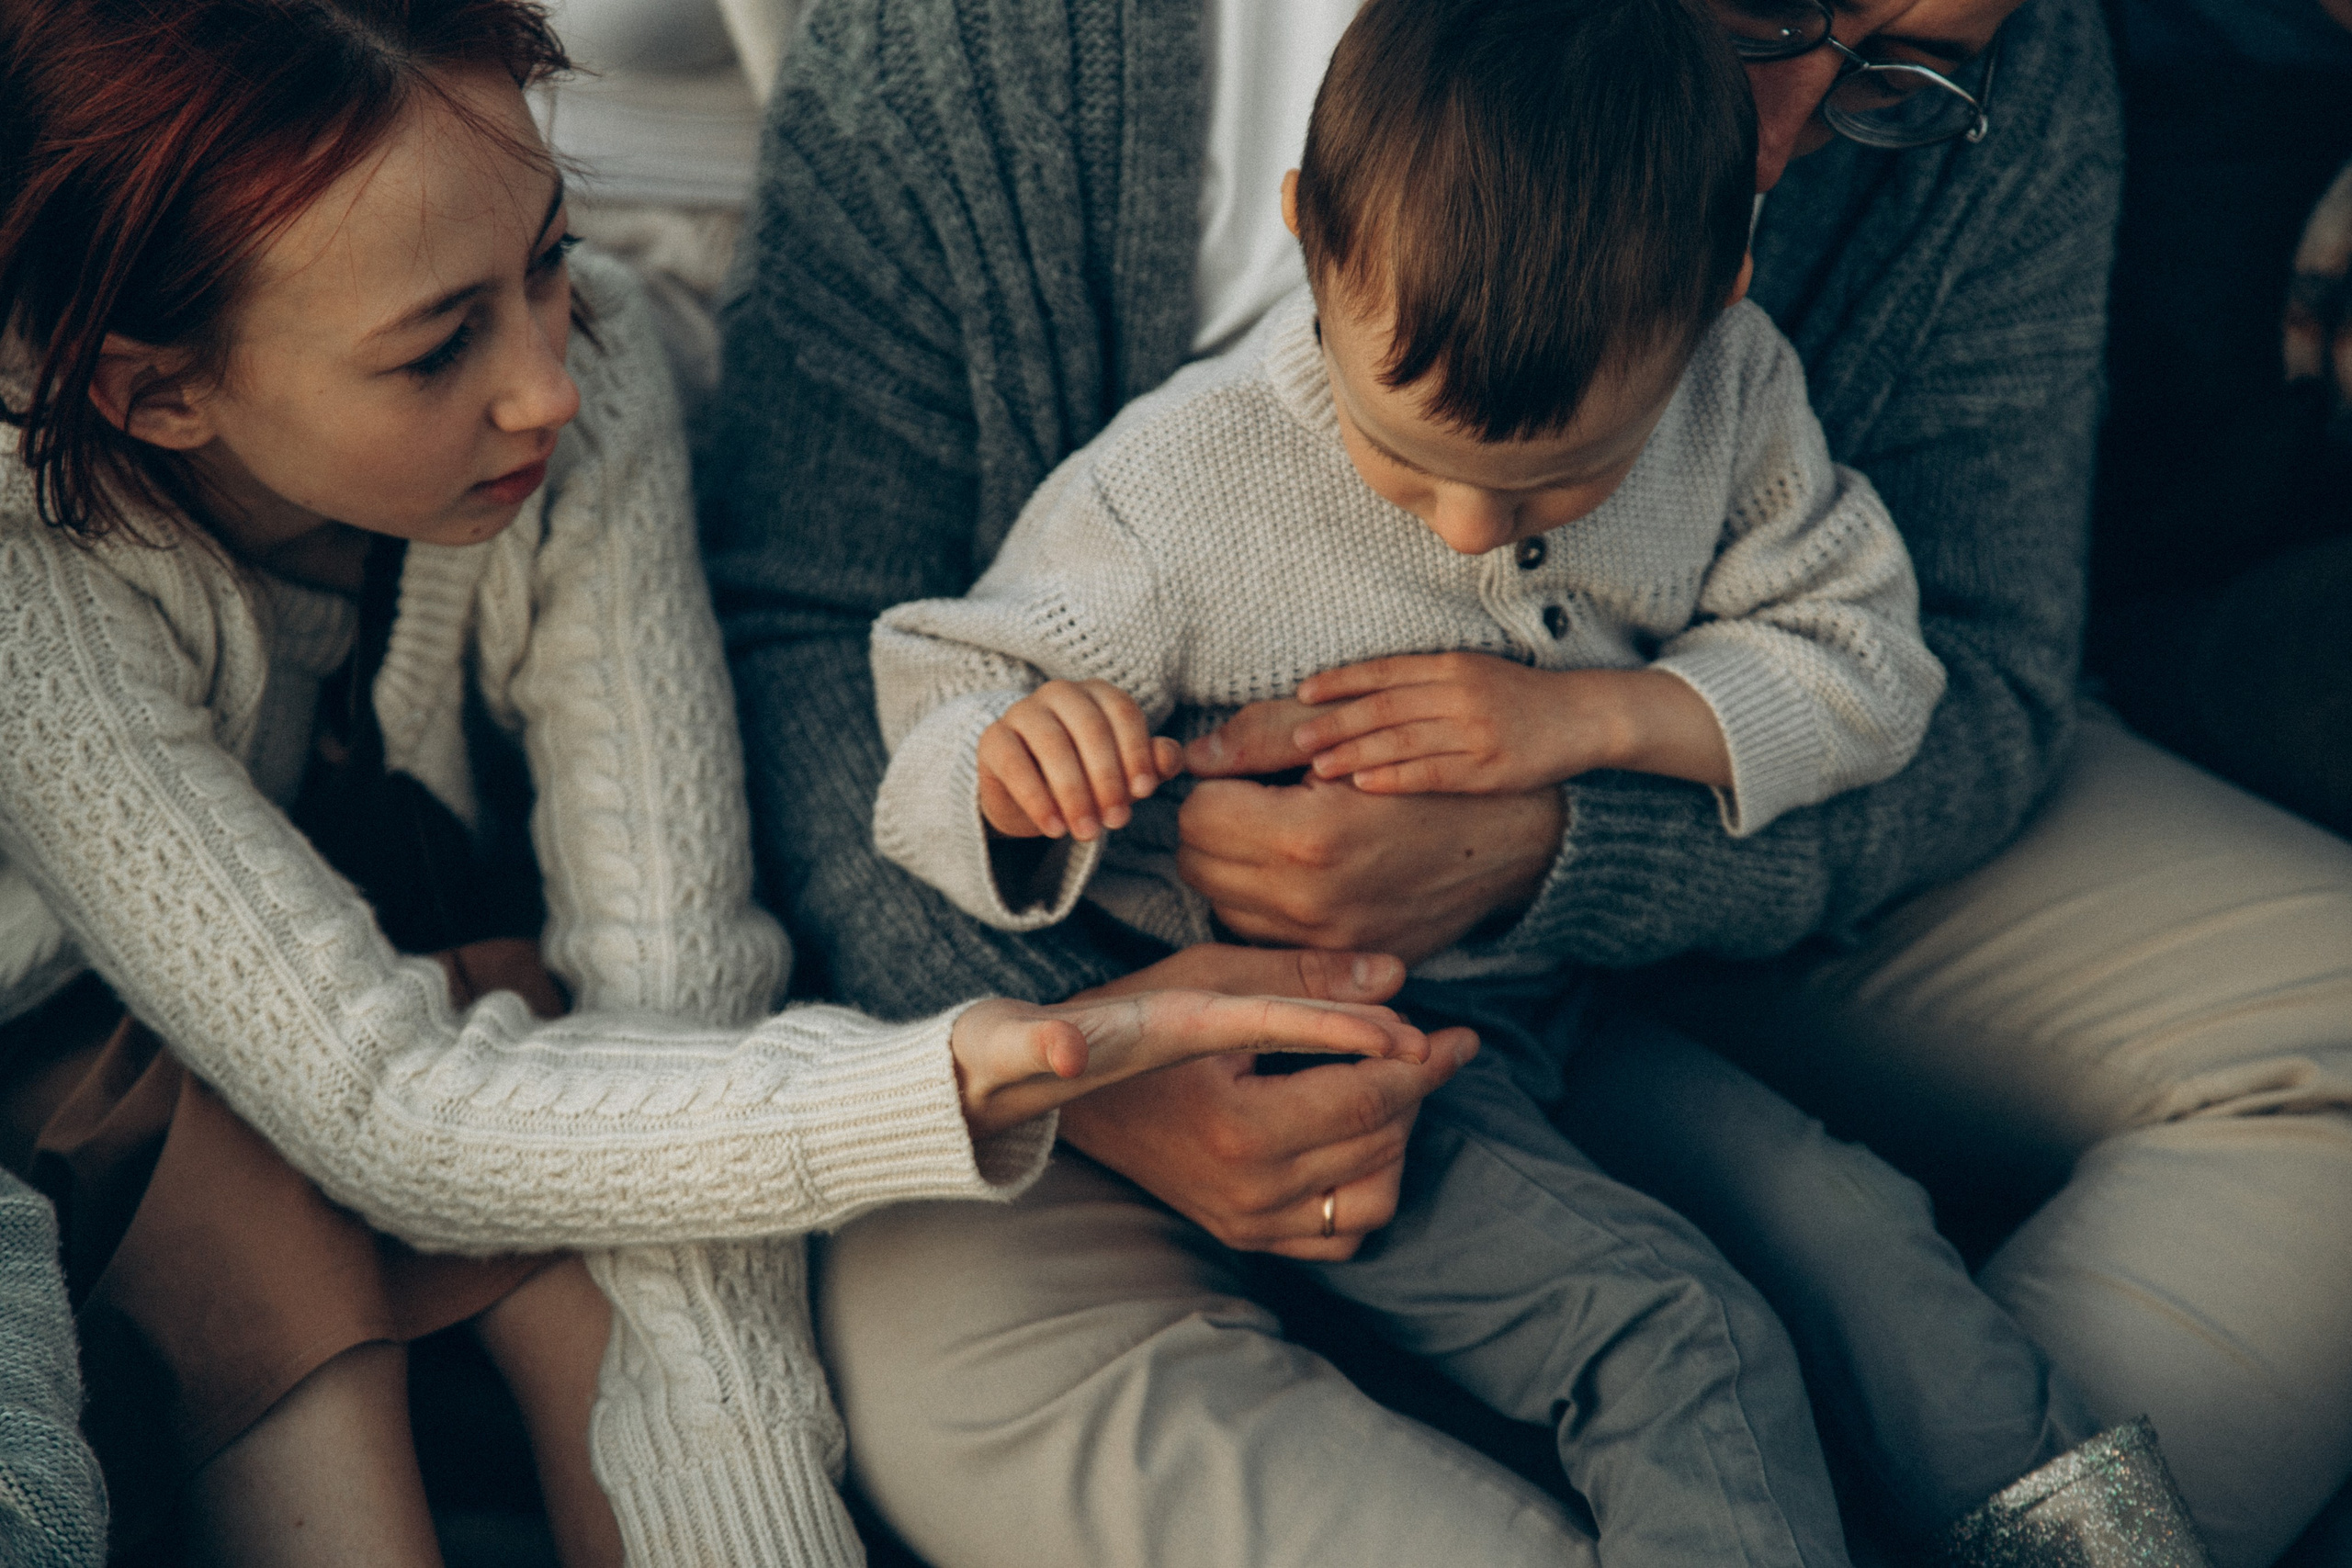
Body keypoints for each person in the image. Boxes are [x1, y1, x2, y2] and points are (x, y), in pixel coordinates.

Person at [703, 0, 2352, 1563]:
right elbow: (836, 646)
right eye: (1774, 10)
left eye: (1908, 67)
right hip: (1198, 1004)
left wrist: (1573, 803)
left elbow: (1955, 666)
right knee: (981, 1381)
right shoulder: (1166, 474)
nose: (1783, 141)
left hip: (1636, 944)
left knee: (1845, 1241)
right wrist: (1083, 1054)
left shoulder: (1752, 369)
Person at [0, 2, 1432, 1563]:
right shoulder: (37, 585)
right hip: (88, 1053)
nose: (542, 377)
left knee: (577, 1091)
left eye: (543, 258)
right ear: (156, 396)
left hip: (412, 971)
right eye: (436, 348)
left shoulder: (589, 395)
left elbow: (674, 1005)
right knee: (247, 1180)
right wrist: (972, 1070)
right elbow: (383, 1107)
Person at [869, 2, 1951, 1562]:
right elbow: (935, 688)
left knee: (1867, 1243)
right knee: (1674, 1335)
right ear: (1310, 228)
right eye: (1403, 454)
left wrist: (1600, 723)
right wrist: (1011, 761)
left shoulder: (1731, 396)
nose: (1463, 530)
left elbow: (1873, 667)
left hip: (1568, 994)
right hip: (1330, 1057)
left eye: (1562, 483)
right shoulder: (1179, 490)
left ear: (1721, 295)